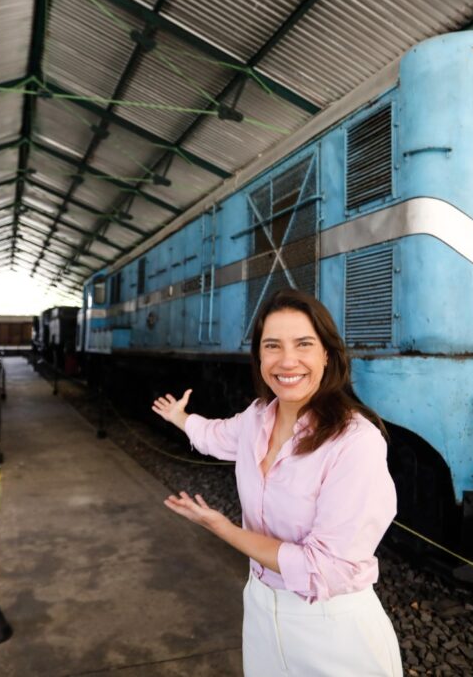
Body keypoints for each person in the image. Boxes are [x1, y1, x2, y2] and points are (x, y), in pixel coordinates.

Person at [151, 288, 402, 676]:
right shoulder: (256, 419)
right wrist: (179, 418)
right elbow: (215, 436)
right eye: (272, 346)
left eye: (303, 344)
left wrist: (223, 529)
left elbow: (324, 568)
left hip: (333, 628)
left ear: (327, 354)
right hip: (260, 612)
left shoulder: (355, 441)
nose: (287, 360)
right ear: (259, 356)